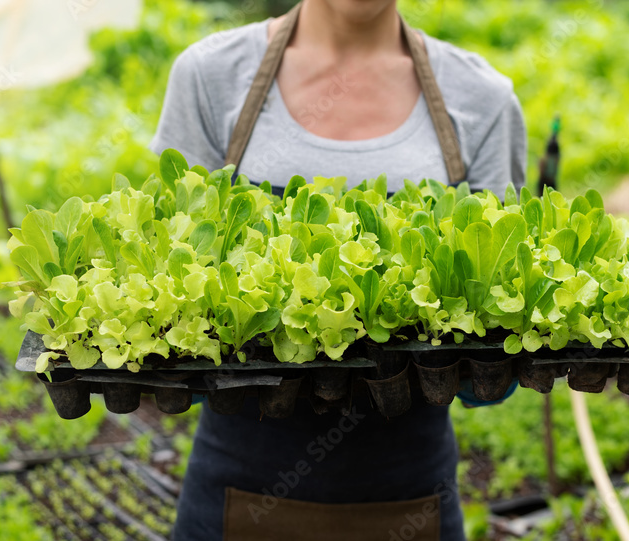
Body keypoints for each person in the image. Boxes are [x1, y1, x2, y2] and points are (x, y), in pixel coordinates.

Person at [149, 1, 527, 539]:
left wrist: (486, 363)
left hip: (408, 496)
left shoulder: (482, 100)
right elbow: (170, 282)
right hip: (236, 492)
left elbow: (491, 347)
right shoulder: (211, 76)